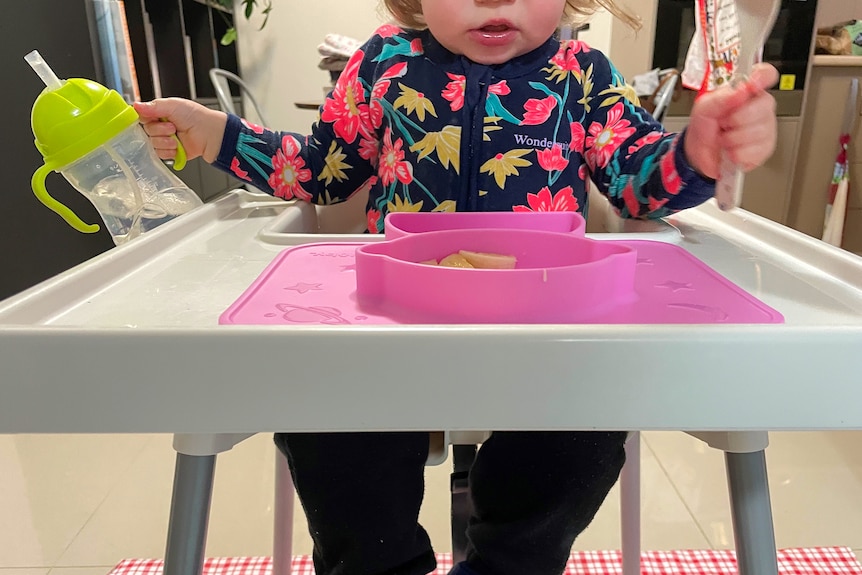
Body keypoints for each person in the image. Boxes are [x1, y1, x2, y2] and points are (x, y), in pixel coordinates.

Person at [135, 1, 779, 574]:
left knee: (586, 434)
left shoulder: (586, 76)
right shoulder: (383, 62)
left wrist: (696, 153)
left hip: (544, 333)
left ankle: (510, 561)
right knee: (323, 420)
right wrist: (215, 133)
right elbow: (319, 172)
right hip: (393, 324)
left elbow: (639, 183)